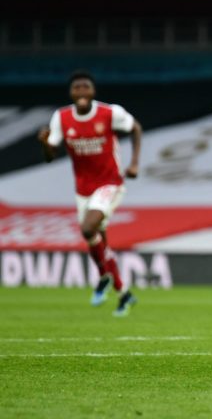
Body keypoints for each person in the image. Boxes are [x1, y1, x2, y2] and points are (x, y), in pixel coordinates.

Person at [37, 70, 142, 317]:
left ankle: (104, 276)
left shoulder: (109, 113)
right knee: (99, 241)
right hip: (83, 189)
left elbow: (135, 127)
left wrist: (135, 163)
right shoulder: (61, 118)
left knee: (87, 229)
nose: (81, 92)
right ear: (71, 92)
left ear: (93, 91)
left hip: (109, 183)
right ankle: (122, 292)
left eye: (86, 87)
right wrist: (45, 143)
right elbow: (50, 157)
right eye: (77, 88)